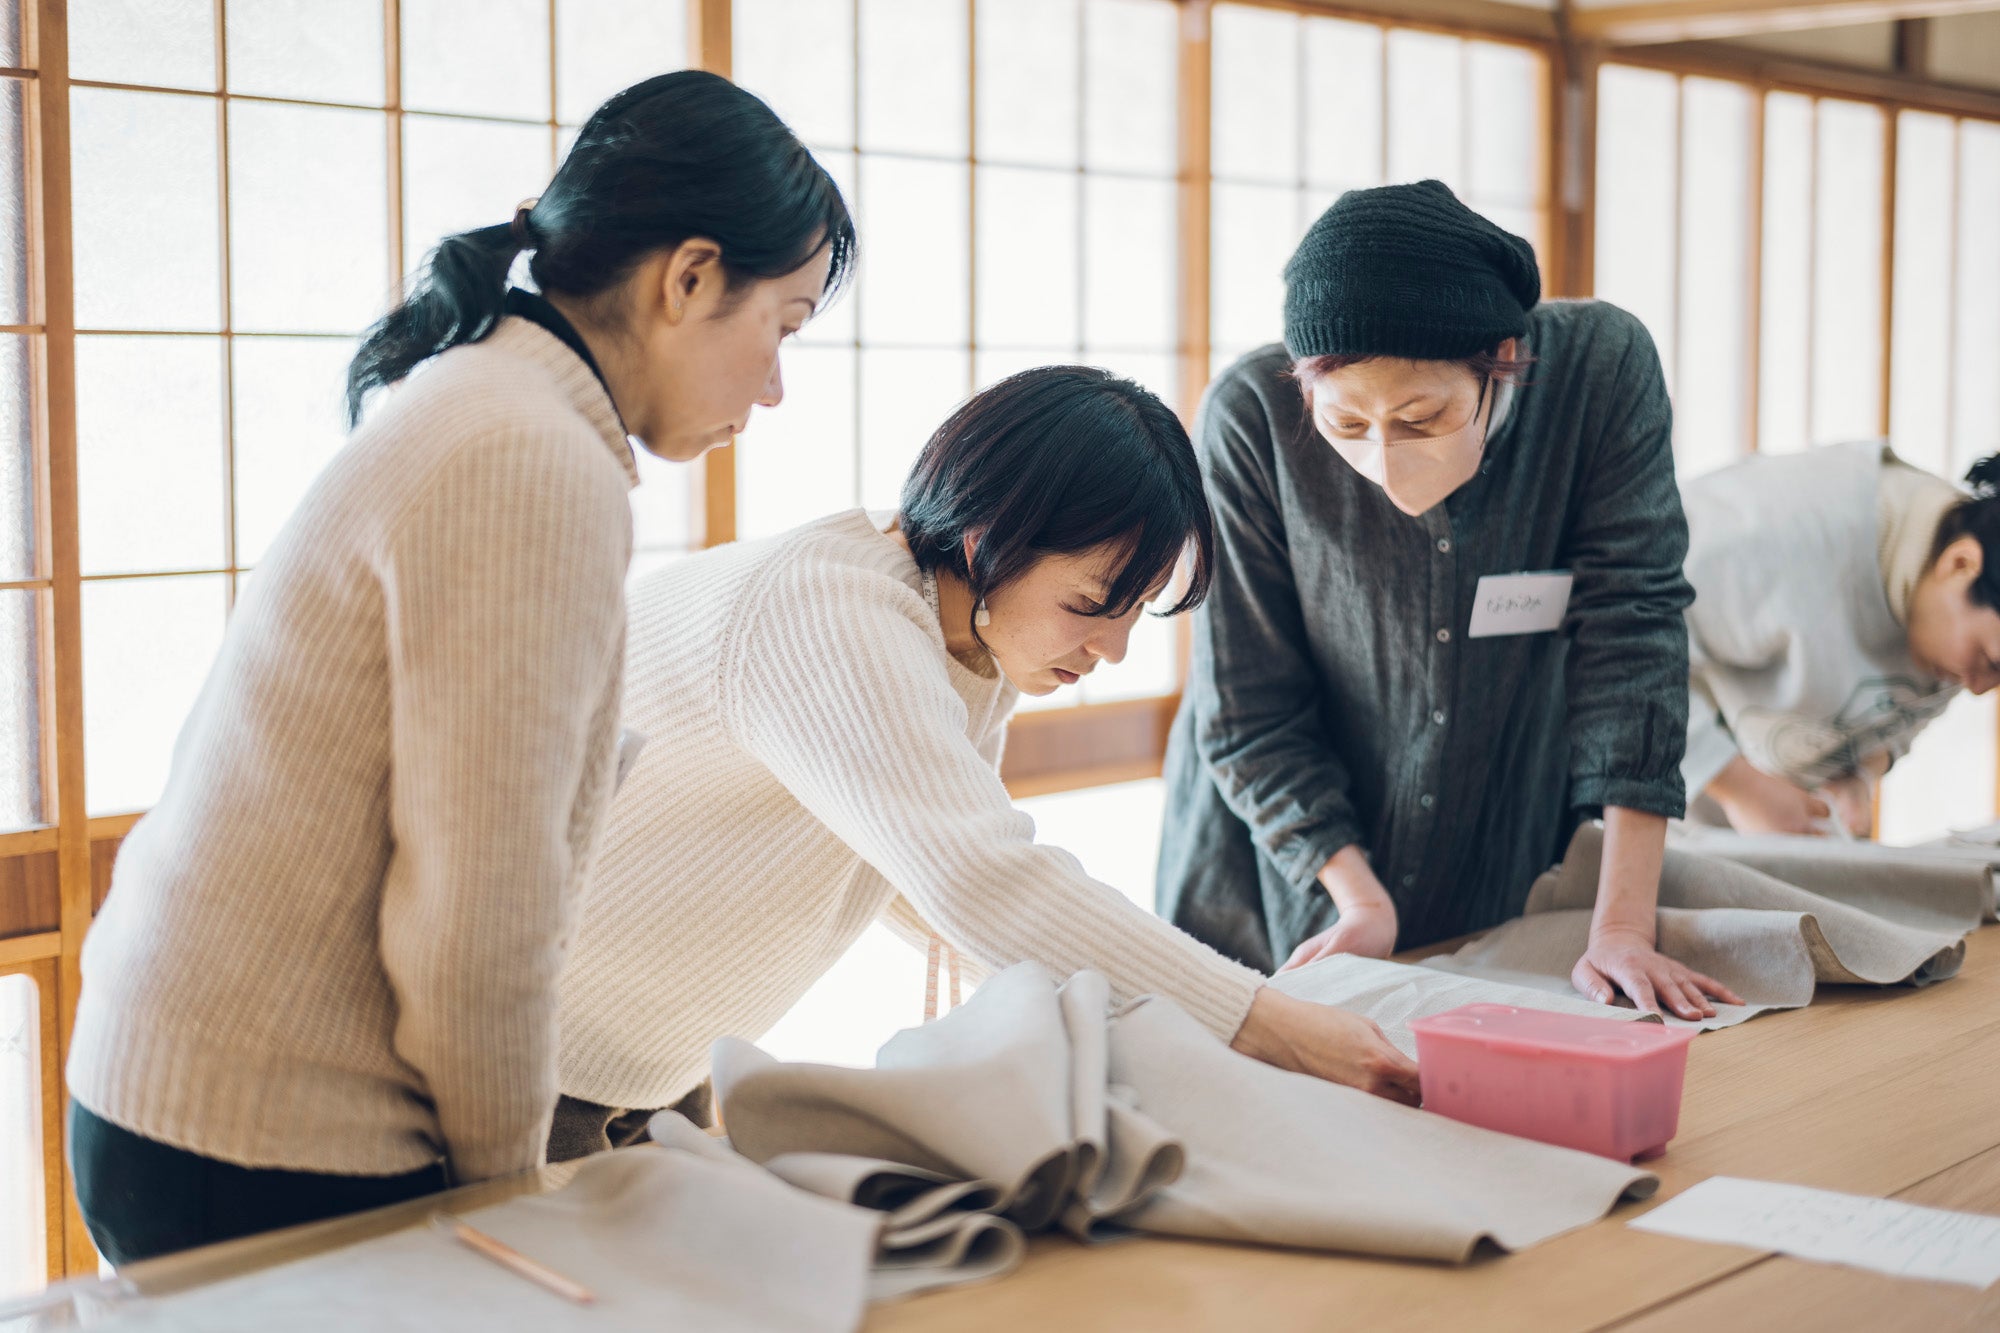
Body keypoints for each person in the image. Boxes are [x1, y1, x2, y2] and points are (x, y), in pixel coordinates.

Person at [65, 70, 855, 1264]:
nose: (775, 386)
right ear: (688, 277)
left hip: (185, 1086)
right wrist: (504, 1202)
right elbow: (477, 906)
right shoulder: (531, 459)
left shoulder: (491, 398)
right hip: (259, 1127)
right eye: (780, 328)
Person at [548, 366, 1419, 1161]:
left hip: (654, 1069)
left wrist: (1109, 1026)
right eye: (1089, 604)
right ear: (983, 538)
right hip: (541, 1066)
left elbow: (932, 888)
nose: (1110, 649)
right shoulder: (831, 612)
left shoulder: (966, 645)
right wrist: (1270, 1022)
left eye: (1136, 613)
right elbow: (981, 880)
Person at [1157, 180, 1741, 1022]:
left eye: (1422, 419)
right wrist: (1358, 901)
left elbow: (1633, 633)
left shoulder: (1599, 373)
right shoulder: (1249, 417)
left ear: (1499, 359)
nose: (1385, 461)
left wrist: (1621, 924)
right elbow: (1248, 706)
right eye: (1346, 426)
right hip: (1283, 862)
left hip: (1491, 830)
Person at [1683, 445, 2000, 837]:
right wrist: (1743, 789)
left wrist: (1858, 778)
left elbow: (1896, 717)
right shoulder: (1789, 531)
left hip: (1754, 833)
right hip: (1639, 795)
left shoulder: (1952, 622)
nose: (1979, 687)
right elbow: (1620, 642)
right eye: (1990, 661)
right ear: (1960, 564)